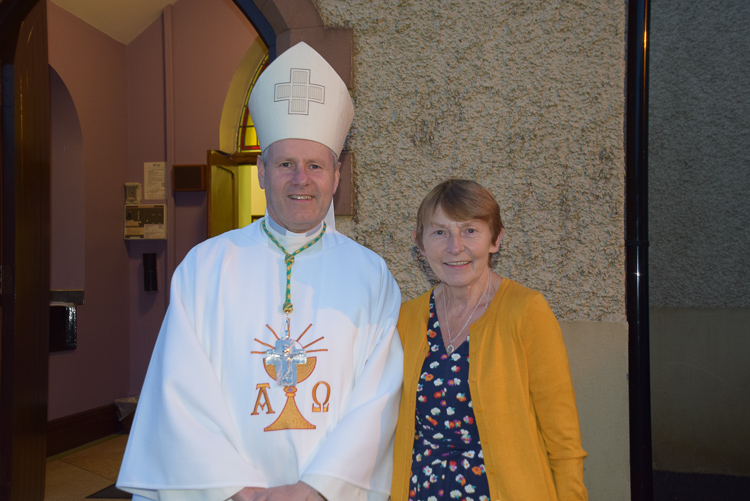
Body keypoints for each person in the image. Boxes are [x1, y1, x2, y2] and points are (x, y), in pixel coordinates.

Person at [117, 42, 404, 501]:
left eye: (315, 166)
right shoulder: (206, 266)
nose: (301, 179)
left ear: (337, 175)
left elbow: (379, 397)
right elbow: (179, 387)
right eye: (286, 164)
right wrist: (235, 489)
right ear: (261, 171)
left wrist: (316, 488)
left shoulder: (372, 276)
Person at [391, 179, 588, 501]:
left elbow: (562, 435)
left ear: (496, 239)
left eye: (470, 230)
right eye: (439, 232)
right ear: (420, 243)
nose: (455, 247)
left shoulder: (526, 311)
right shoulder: (405, 320)